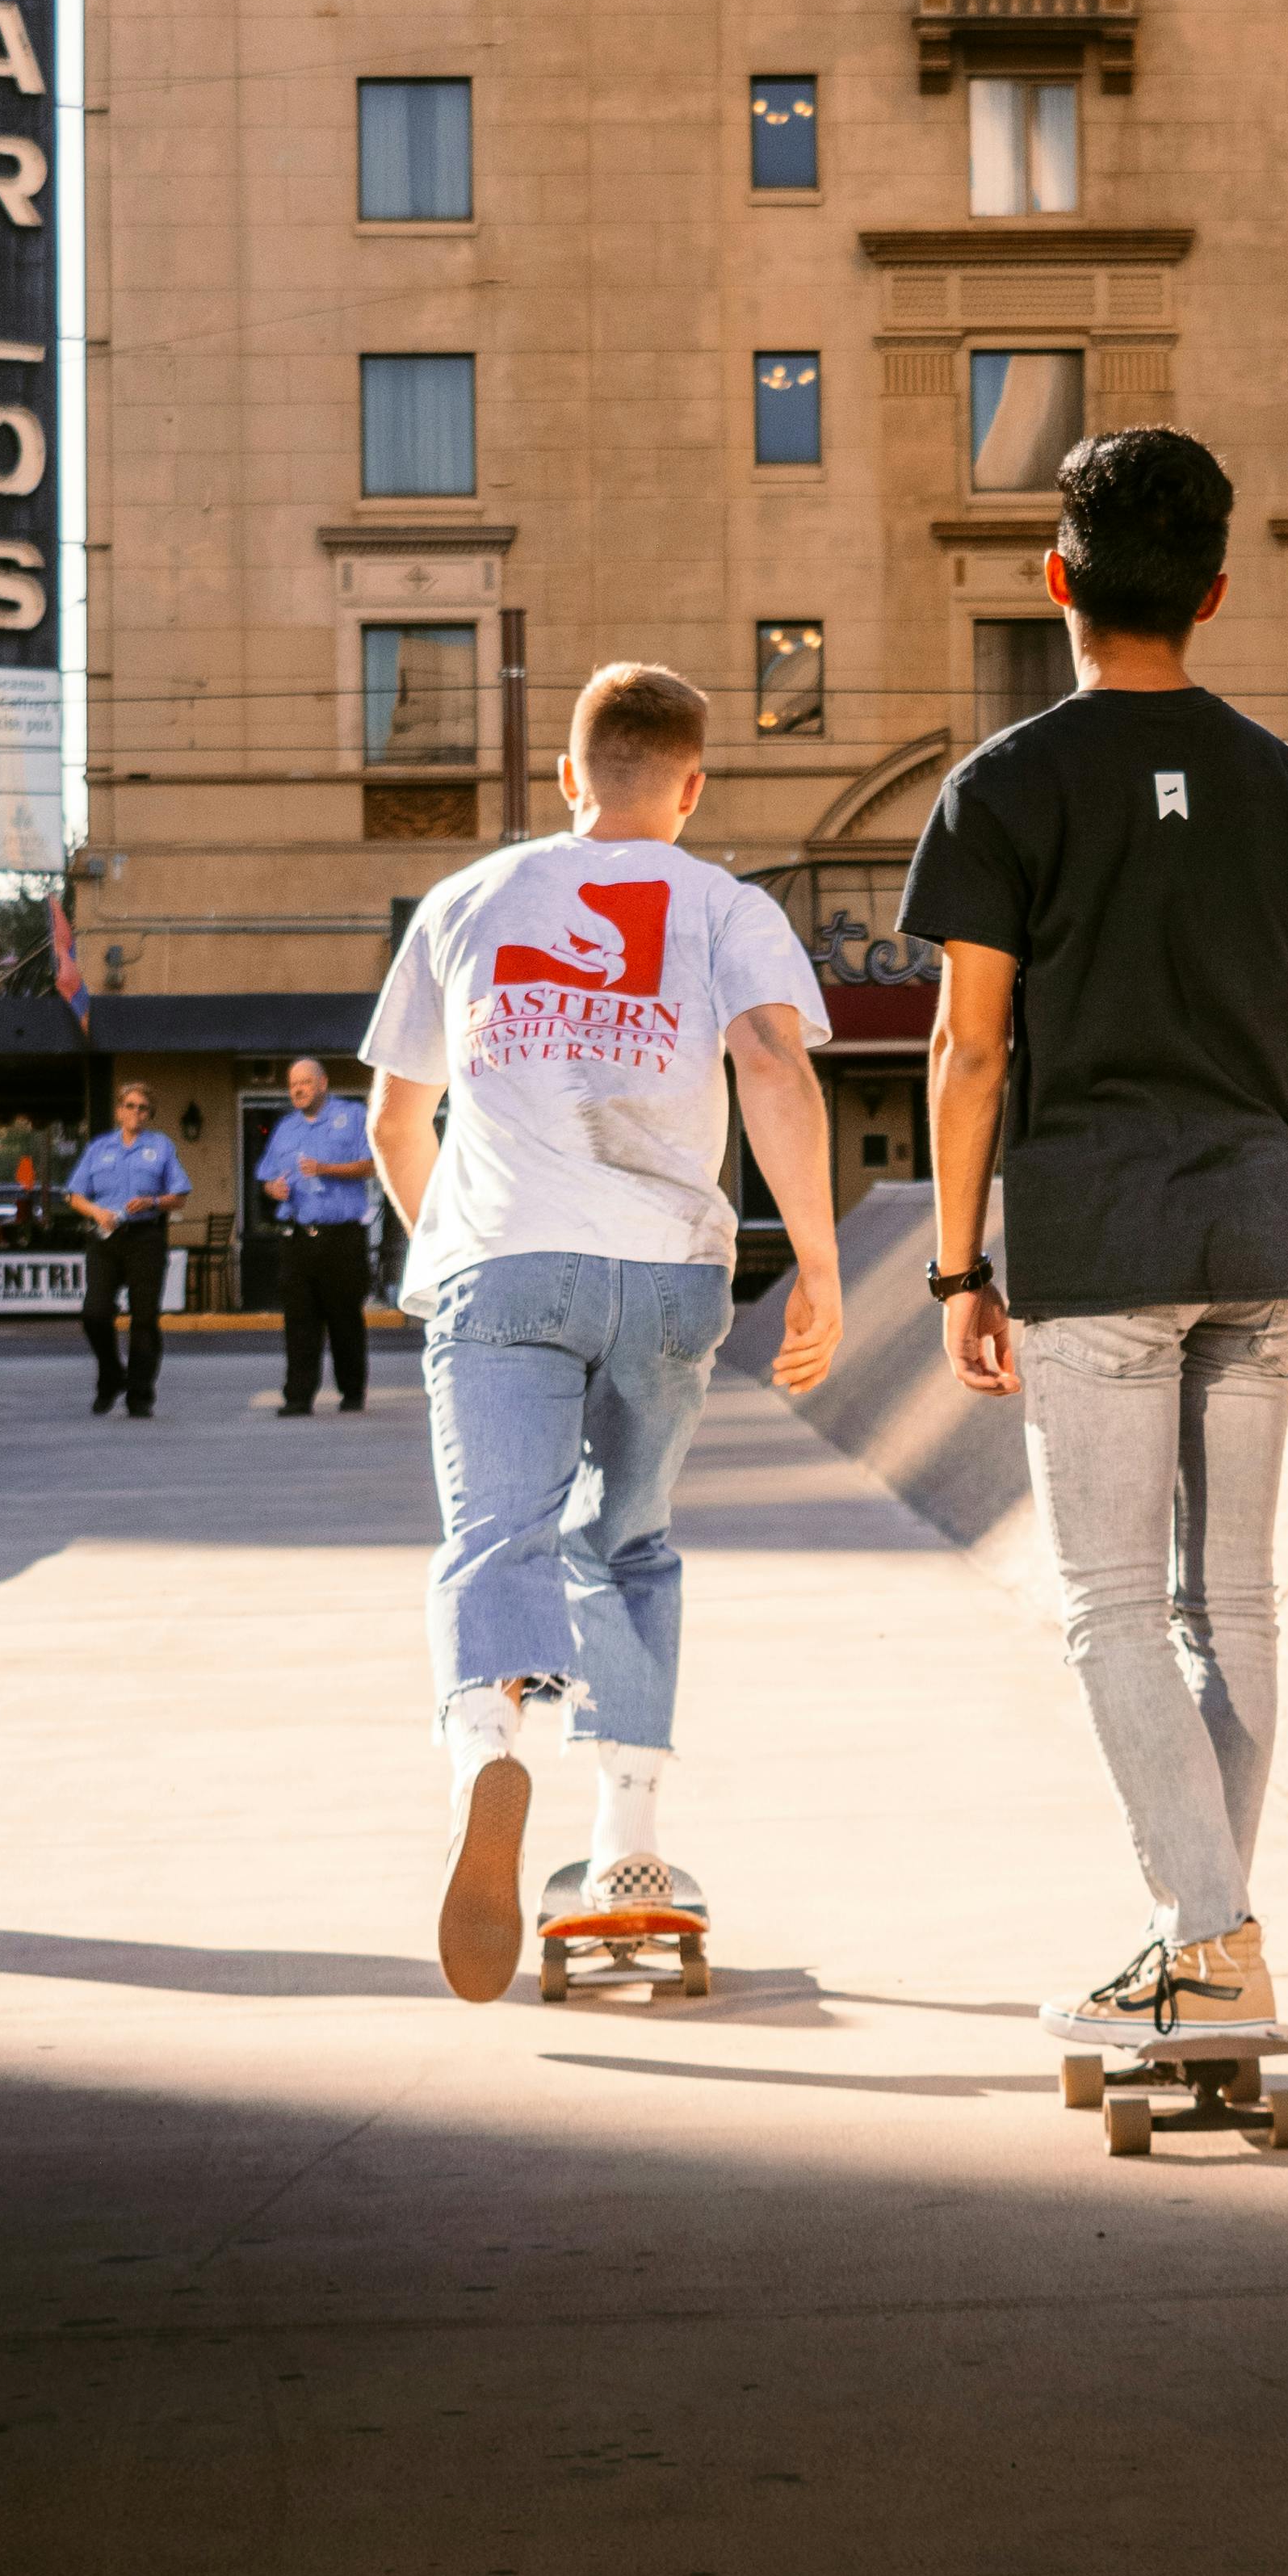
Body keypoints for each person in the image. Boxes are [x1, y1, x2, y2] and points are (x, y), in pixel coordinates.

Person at [900, 429, 1288, 2048]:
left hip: (1101, 1235)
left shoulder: (1004, 784)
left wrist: (957, 1264)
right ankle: (1205, 1945)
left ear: (1054, 582)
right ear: (1218, 591)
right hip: (1265, 1224)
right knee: (1227, 1601)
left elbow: (969, 1050)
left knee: (1111, 1606)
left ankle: (1201, 1941)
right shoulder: (1280, 782)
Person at [364, 660, 845, 2005]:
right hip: (671, 1275)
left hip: (503, 1263)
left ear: (568, 778)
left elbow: (398, 1124)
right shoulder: (726, 905)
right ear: (692, 790)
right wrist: (816, 1262)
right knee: (624, 1544)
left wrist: (444, 1242)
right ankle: (627, 1849)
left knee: (494, 1537)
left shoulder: (464, 900)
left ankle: (486, 1749)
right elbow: (771, 1063)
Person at [257, 1052, 379, 1414]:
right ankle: (298, 1397)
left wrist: (326, 1168)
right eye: (293, 1084)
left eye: (305, 1082)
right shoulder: (285, 1129)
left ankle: (352, 1392)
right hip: (297, 1237)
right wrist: (272, 1190)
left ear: (323, 1084)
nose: (298, 1089)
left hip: (341, 1237)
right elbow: (266, 1177)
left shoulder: (352, 1116)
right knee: (299, 1320)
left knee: (344, 1318)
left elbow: (373, 1164)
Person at [61, 1080, 191, 1418]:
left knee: (144, 1319)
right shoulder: (99, 1148)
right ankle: (112, 1374)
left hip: (146, 1237)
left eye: (142, 1108)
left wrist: (152, 1201)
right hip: (106, 1238)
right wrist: (96, 1212)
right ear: (119, 1111)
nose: (136, 1112)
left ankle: (140, 1393)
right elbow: (74, 1195)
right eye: (130, 1106)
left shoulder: (160, 1147)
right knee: (95, 1313)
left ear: (150, 1114)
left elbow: (180, 1195)